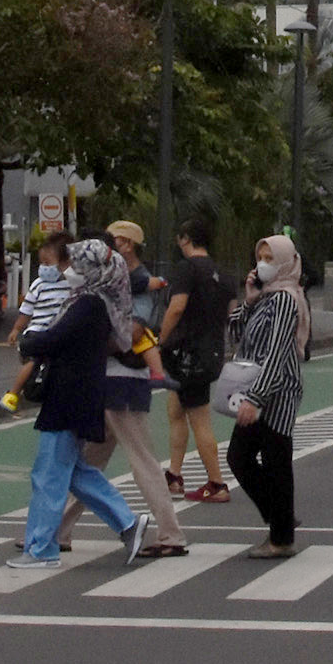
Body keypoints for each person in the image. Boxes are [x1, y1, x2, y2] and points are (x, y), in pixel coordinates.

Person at [12, 238, 144, 565]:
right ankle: (127, 523)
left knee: (50, 474)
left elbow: (56, 338)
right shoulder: (95, 300)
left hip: (69, 395)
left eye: (73, 264)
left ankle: (42, 549)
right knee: (71, 471)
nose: (67, 270)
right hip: (77, 393)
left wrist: (29, 340)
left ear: (90, 268)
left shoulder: (88, 303)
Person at [93, 221, 187, 556]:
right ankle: (56, 529)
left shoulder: (141, 283)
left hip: (124, 379)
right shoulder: (109, 279)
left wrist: (93, 335)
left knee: (141, 461)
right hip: (109, 379)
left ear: (129, 245)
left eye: (117, 240)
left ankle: (171, 533)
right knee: (84, 465)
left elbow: (134, 332)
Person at [223, 232, 312, 560]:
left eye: (270, 259)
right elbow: (235, 335)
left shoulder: (288, 299)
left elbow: (276, 352)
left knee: (273, 460)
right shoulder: (267, 297)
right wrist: (248, 300)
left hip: (277, 391)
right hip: (256, 389)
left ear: (287, 262)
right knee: (242, 457)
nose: (262, 265)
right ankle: (282, 522)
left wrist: (256, 399)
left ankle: (282, 535)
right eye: (260, 258)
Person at [156, 217, 238, 503]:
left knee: (199, 418)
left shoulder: (187, 269)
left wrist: (161, 339)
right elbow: (232, 312)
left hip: (187, 352)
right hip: (212, 350)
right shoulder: (224, 274)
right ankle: (174, 475)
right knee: (175, 410)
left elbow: (176, 308)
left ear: (186, 238)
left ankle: (216, 483)